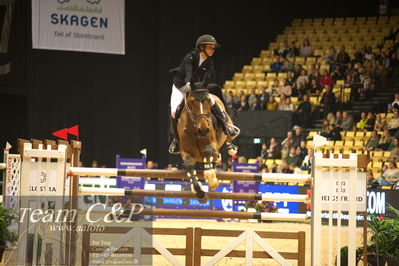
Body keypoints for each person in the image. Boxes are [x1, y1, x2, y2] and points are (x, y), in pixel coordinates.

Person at [168, 35, 240, 154]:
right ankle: (176, 141)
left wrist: (202, 89)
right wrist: (189, 84)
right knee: (175, 111)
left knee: (212, 101)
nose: (213, 50)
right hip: (181, 87)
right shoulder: (190, 57)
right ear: (202, 48)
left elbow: (206, 79)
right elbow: (189, 73)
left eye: (213, 48)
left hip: (196, 88)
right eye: (210, 47)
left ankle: (226, 126)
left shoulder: (210, 63)